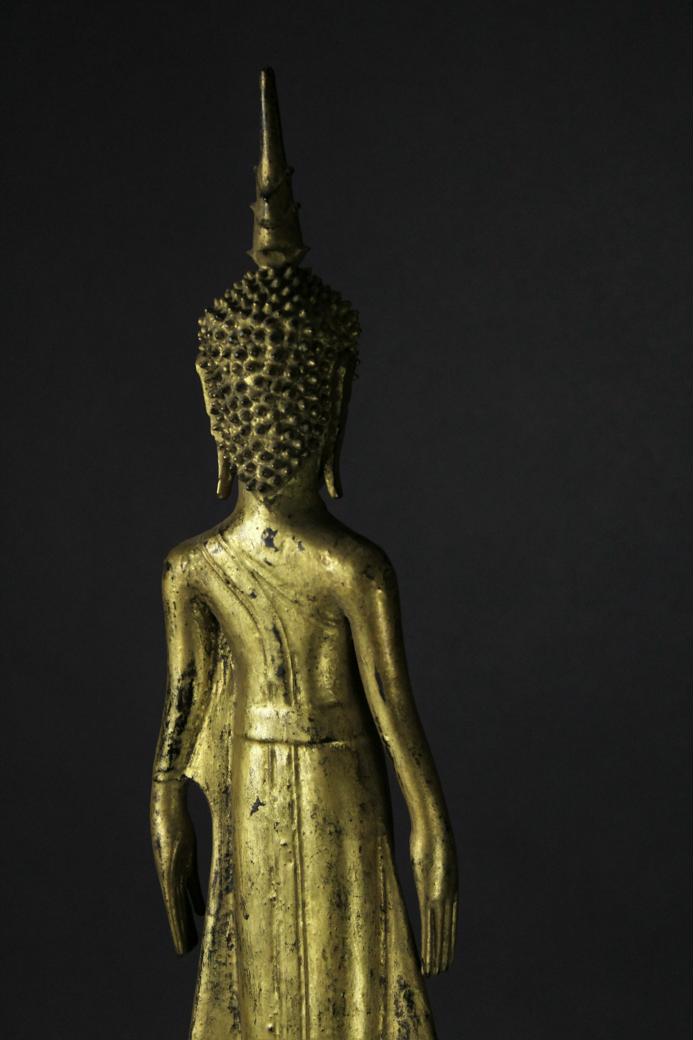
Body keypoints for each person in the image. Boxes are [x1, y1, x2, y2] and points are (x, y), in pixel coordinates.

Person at [150, 68, 458, 1040]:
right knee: (260, 979)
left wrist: (431, 828)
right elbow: (185, 704)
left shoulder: (350, 570)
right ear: (219, 405)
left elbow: (394, 712)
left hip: (341, 780)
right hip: (250, 777)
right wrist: (165, 803)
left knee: (351, 980)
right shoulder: (197, 569)